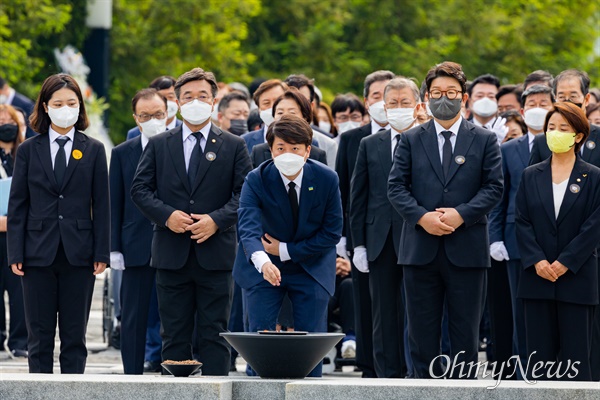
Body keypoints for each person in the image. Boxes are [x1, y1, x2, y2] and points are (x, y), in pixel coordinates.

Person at [131, 67, 252, 376]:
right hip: (171, 253)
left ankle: (216, 390)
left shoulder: (234, 145)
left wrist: (216, 220)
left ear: (213, 101)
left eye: (202, 96)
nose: (195, 101)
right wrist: (166, 215)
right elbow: (140, 189)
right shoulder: (160, 143)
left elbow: (245, 194)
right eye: (188, 96)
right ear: (177, 102)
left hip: (215, 253)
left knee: (214, 333)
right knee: (173, 333)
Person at [387, 61, 503, 379]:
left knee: (464, 332)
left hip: (467, 249)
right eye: (437, 92)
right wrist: (422, 217)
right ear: (426, 97)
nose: (444, 98)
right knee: (421, 332)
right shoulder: (411, 139)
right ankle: (421, 387)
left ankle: (462, 389)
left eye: (451, 92)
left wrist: (460, 214)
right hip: (420, 249)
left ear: (463, 97)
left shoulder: (484, 139)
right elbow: (395, 187)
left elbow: (494, 187)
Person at [7, 73, 110, 373]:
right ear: (45, 106)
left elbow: (101, 204)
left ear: (80, 107)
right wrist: (16, 253)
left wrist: (101, 252)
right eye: (58, 102)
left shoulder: (92, 149)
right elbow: (18, 204)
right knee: (38, 337)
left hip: (79, 253)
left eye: (72, 102)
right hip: (37, 252)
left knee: (74, 337)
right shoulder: (28, 149)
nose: (66, 108)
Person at [233, 114, 342, 377]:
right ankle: (257, 387)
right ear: (271, 149)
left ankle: (310, 388)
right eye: (281, 147)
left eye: (295, 148)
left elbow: (332, 232)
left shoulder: (327, 179)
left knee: (310, 346)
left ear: (307, 150)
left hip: (311, 265)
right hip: (263, 267)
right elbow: (247, 228)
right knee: (259, 340)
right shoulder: (256, 179)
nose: (288, 154)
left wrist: (284, 250)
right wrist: (263, 261)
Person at [515, 102, 600, 381]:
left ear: (578, 136)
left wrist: (566, 262)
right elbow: (522, 221)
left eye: (563, 128)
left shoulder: (594, 176)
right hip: (537, 278)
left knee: (577, 360)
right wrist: (537, 260)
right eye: (551, 127)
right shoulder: (531, 175)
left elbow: (593, 226)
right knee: (539, 361)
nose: (555, 133)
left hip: (577, 277)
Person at [350, 77, 421, 378]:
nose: (398, 108)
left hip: (419, 236)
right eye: (393, 103)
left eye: (405, 103)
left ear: (417, 106)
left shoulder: (427, 139)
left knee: (417, 309)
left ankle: (414, 370)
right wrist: (359, 245)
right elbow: (358, 196)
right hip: (379, 238)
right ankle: (386, 375)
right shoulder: (369, 144)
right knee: (383, 313)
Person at [335, 70, 394, 378]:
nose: (383, 101)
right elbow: (346, 192)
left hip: (403, 233)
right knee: (366, 302)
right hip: (364, 234)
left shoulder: (413, 135)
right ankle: (369, 364)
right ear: (367, 99)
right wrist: (346, 238)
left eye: (390, 95)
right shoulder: (352, 139)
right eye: (376, 95)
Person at [110, 88, 168, 374]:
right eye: (145, 115)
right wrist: (114, 247)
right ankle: (131, 372)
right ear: (136, 118)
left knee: (174, 313)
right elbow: (115, 201)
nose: (152, 120)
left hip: (174, 242)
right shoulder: (122, 153)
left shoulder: (178, 146)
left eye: (158, 114)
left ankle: (174, 366)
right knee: (133, 315)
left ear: (168, 113)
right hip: (135, 243)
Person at [0, 105, 27, 359]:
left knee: (20, 289)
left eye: (10, 119)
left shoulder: (27, 154)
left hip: (19, 232)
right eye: (1, 119)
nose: (5, 123)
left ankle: (21, 341)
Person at [250, 89, 327, 167]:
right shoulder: (258, 152)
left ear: (305, 117)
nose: (285, 116)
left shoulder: (317, 154)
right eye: (280, 112)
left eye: (292, 113)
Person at [284, 74, 338, 167]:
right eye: (290, 98)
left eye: (302, 100)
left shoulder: (327, 145)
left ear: (311, 106)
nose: (295, 105)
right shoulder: (265, 142)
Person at [127, 76, 183, 140]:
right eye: (161, 98)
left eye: (170, 97)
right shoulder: (134, 133)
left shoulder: (186, 130)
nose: (166, 102)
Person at [241, 79, 288, 153]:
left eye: (277, 101)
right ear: (259, 109)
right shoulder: (245, 142)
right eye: (266, 103)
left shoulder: (305, 139)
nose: (272, 107)